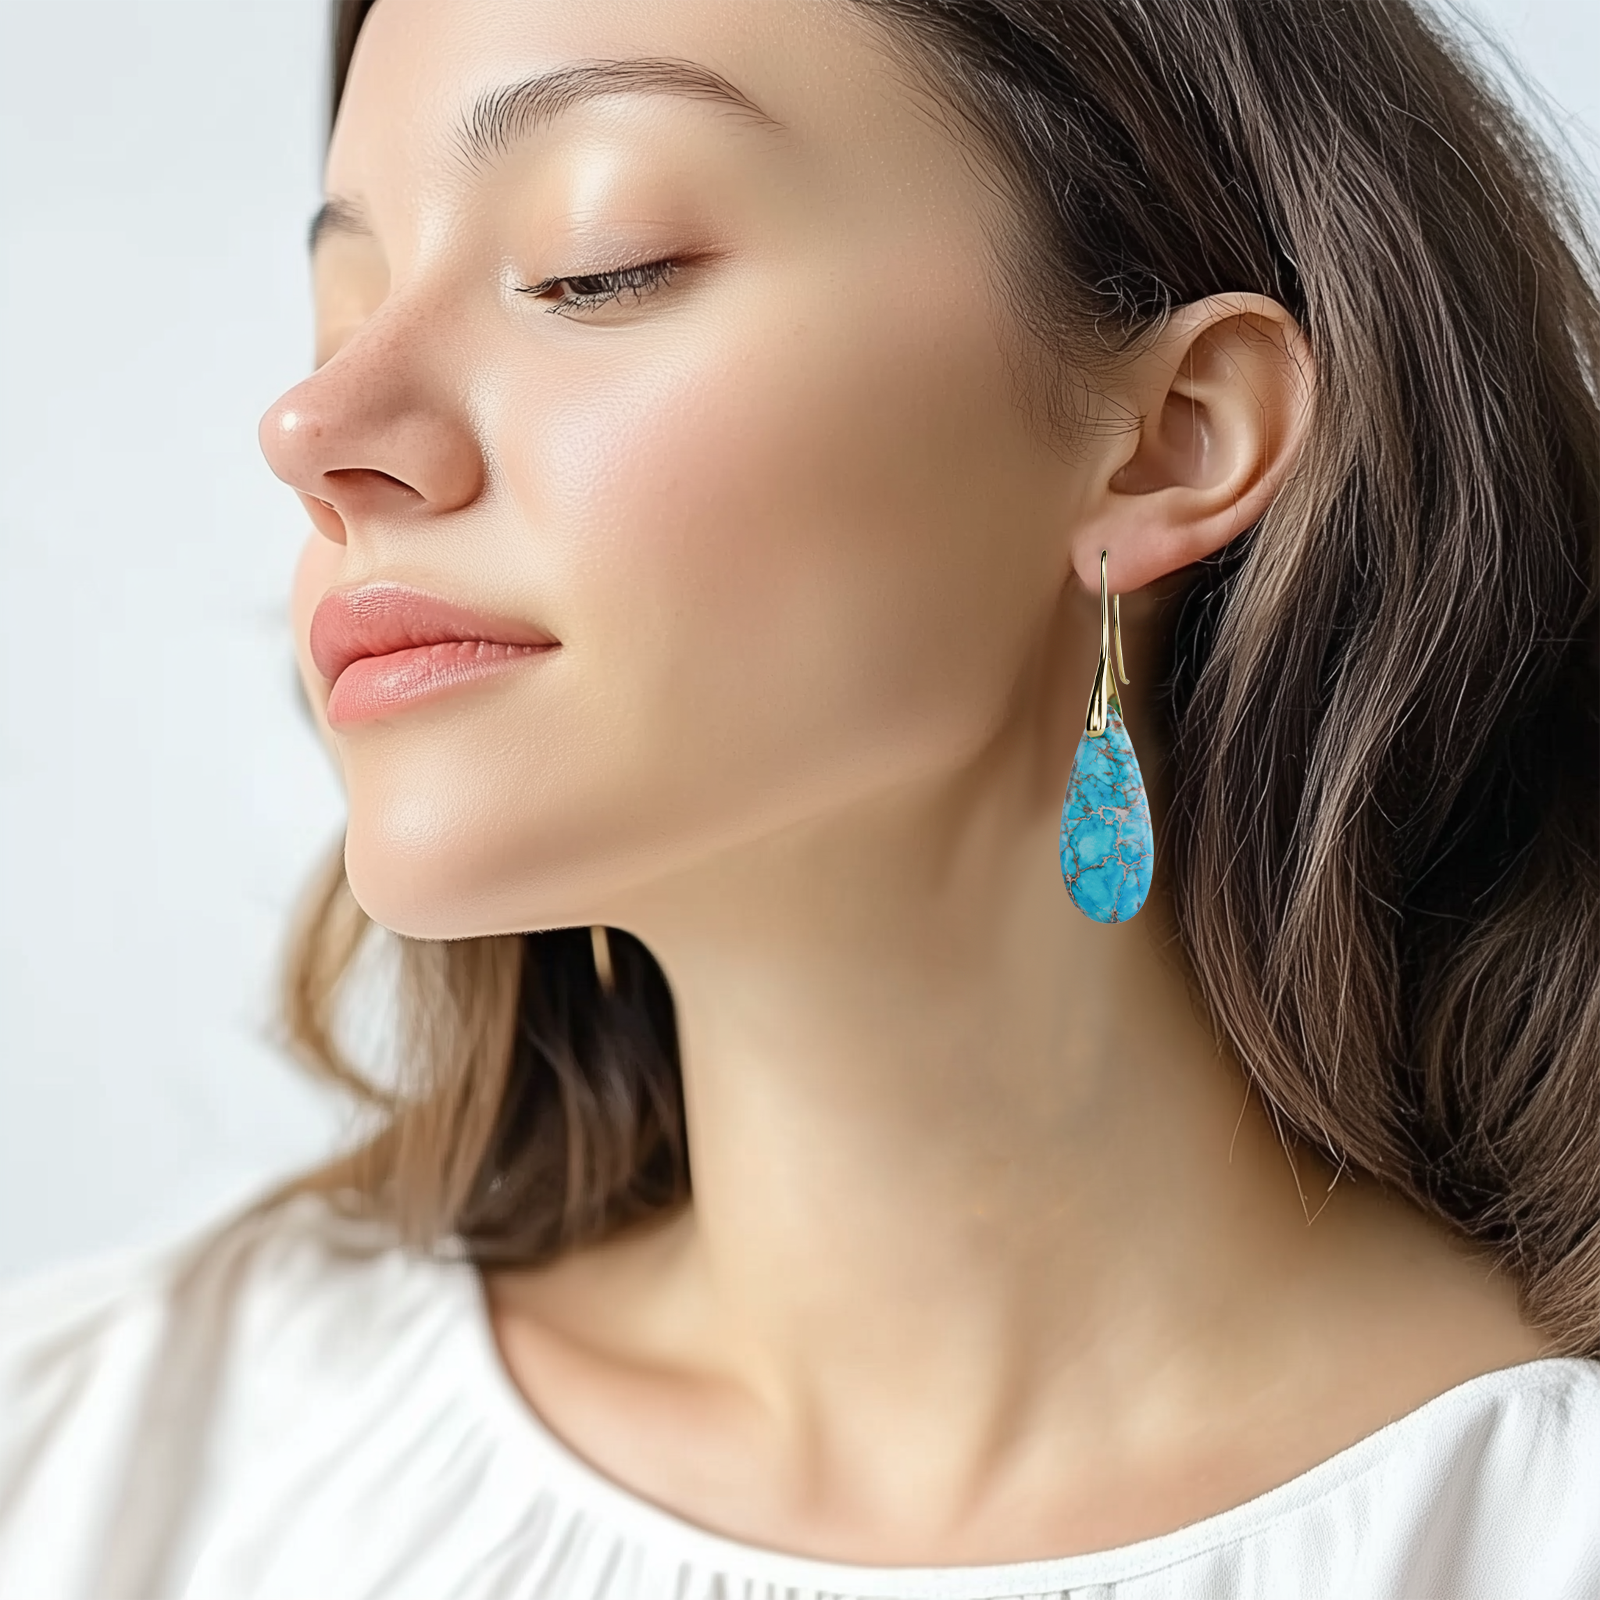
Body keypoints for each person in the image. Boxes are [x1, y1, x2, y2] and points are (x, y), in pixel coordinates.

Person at [3, 0, 1598, 1594]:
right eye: (339, 311)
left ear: (1171, 440)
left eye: (595, 265)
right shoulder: (92, 1463)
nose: (312, 432)